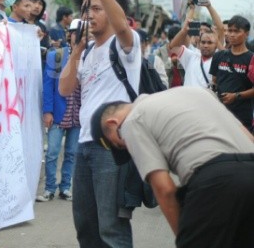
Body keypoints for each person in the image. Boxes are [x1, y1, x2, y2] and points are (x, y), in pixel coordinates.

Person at [91, 87, 254, 248]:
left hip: (216, 181)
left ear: (112, 123)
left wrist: (185, 238)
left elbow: (165, 190)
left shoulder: (132, 121)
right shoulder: (197, 92)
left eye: (117, 144)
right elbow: (247, 136)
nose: (126, 147)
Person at [59, 0, 139, 248]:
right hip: (84, 146)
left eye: (96, 8)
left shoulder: (126, 44)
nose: (89, 14)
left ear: (111, 8)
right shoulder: (87, 51)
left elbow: (121, 25)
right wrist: (76, 51)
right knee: (86, 227)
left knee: (112, 230)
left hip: (111, 147)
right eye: (85, 9)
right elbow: (65, 90)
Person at [37, 21, 81, 202]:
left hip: (79, 114)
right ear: (68, 34)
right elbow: (48, 86)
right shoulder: (56, 56)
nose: (78, 37)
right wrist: (47, 111)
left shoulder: (91, 57)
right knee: (53, 152)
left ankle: (66, 187)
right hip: (58, 112)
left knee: (72, 153)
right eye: (75, 33)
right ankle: (49, 188)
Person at [210, 15, 254, 130]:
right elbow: (214, 81)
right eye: (229, 30)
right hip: (219, 114)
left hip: (242, 118)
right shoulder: (219, 56)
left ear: (246, 34)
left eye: (236, 31)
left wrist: (236, 96)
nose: (232, 34)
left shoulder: (251, 59)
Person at [168, 17, 220, 88]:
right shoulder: (192, 56)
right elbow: (173, 46)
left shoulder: (219, 61)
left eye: (210, 43)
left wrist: (209, 7)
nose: (205, 45)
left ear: (216, 45)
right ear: (199, 42)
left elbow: (221, 29)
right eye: (203, 42)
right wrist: (183, 31)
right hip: (186, 98)